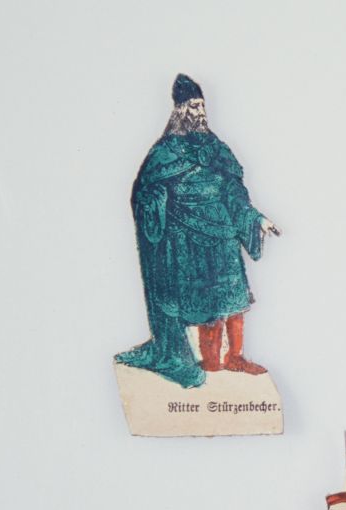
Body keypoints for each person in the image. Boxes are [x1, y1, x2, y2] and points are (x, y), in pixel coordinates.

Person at [116, 74, 280, 388]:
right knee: (208, 306)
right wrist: (156, 201)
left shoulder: (216, 148)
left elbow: (234, 191)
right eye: (194, 106)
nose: (200, 112)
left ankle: (236, 357)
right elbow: (144, 192)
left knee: (234, 302)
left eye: (202, 106)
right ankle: (213, 362)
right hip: (187, 239)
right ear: (180, 111)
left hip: (224, 234)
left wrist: (256, 218)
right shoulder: (165, 151)